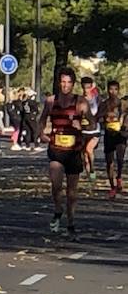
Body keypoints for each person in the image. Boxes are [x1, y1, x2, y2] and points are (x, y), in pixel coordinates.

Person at [38, 66, 91, 237]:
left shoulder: (81, 102)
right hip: (56, 149)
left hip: (74, 151)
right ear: (59, 83)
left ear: (73, 84)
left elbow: (92, 123)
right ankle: (58, 209)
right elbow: (42, 118)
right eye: (63, 82)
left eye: (68, 82)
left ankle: (71, 221)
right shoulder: (51, 101)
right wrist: (41, 134)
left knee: (72, 191)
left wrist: (81, 124)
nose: (65, 85)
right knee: (56, 184)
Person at [102, 79, 125, 197]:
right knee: (109, 162)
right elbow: (99, 117)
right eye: (111, 89)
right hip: (108, 134)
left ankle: (119, 177)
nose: (113, 91)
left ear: (118, 90)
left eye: (115, 89)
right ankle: (112, 187)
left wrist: (121, 123)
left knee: (120, 159)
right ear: (107, 90)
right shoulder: (104, 104)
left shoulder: (122, 103)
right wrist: (104, 120)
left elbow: (124, 115)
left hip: (120, 134)